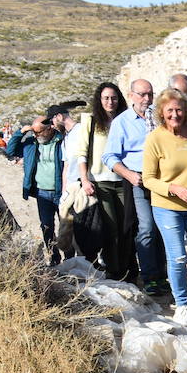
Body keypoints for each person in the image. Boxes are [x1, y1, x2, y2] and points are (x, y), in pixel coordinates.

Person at [142, 88, 187, 327]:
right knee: (178, 257)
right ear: (161, 112)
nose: (175, 114)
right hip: (167, 205)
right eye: (170, 110)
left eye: (179, 109)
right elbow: (148, 179)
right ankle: (181, 304)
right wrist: (174, 188)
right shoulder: (155, 138)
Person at [101, 79, 165, 293]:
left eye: (150, 94)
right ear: (131, 96)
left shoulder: (160, 117)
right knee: (146, 228)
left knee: (162, 228)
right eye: (142, 94)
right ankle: (150, 277)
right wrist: (129, 175)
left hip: (163, 180)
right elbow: (109, 156)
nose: (147, 99)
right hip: (139, 181)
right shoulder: (122, 122)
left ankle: (162, 275)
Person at [72, 83, 130, 277]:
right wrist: (85, 179)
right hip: (100, 181)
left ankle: (126, 268)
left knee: (126, 227)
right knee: (111, 228)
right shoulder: (90, 121)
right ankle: (114, 270)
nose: (110, 102)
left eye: (113, 98)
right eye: (106, 98)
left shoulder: (124, 120)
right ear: (99, 100)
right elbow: (81, 153)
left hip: (123, 179)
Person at [5, 115, 66, 264]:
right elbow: (10, 151)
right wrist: (21, 132)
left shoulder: (62, 141)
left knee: (66, 226)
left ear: (50, 128)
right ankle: (54, 257)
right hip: (42, 192)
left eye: (39, 132)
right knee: (46, 226)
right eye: (34, 132)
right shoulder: (31, 144)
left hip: (61, 191)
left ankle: (70, 258)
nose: (36, 135)